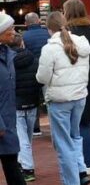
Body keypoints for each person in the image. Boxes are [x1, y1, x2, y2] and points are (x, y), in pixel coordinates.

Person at [35, 11, 90, 185]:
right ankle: (81, 171)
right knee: (75, 136)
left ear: (48, 28)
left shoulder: (50, 48)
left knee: (63, 143)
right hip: (79, 96)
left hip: (60, 100)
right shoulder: (82, 42)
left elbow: (42, 77)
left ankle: (72, 181)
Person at [63, 0, 90, 177]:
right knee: (84, 124)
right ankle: (88, 163)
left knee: (69, 126)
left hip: (69, 83)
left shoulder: (65, 34)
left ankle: (75, 163)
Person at [10, 31, 42, 182]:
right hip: (32, 102)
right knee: (27, 138)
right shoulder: (34, 60)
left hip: (16, 104)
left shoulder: (8, 62)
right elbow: (39, 80)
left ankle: (28, 167)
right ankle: (24, 162)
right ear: (22, 43)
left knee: (22, 138)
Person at [0, 13, 26, 185]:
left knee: (12, 167)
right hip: (2, 125)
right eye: (9, 28)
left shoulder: (8, 55)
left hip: (8, 122)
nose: (14, 31)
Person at [22, 12, 48, 137]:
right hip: (48, 70)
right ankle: (54, 126)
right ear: (38, 21)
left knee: (35, 99)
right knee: (49, 98)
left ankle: (35, 127)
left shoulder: (24, 36)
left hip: (32, 72)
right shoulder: (47, 33)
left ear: (26, 23)